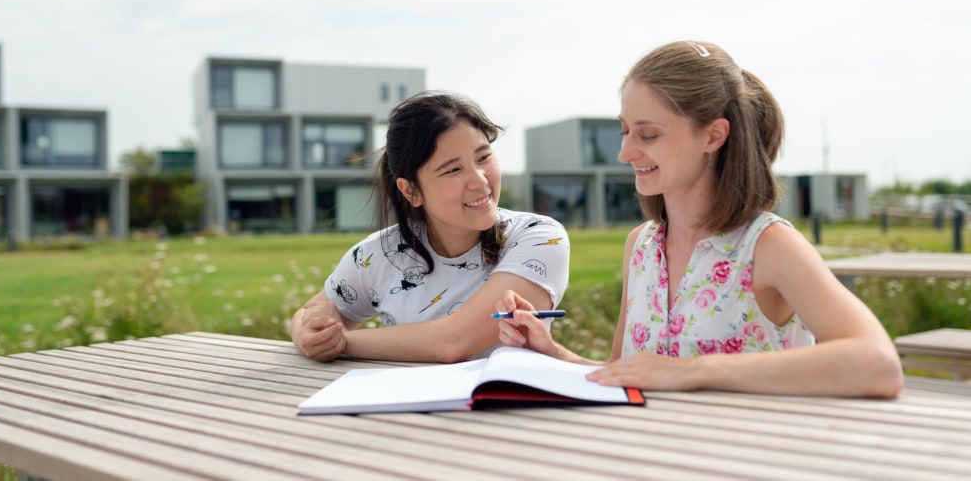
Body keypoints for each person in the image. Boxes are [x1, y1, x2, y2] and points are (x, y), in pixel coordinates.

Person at [496, 41, 904, 398]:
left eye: (648, 134)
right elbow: (627, 374)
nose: (625, 152)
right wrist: (550, 351)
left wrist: (694, 372)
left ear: (713, 136)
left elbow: (878, 364)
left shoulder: (769, 246)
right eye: (624, 131)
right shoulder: (640, 246)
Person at [291, 91, 570, 363]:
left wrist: (342, 343)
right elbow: (310, 313)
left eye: (483, 158)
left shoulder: (539, 238)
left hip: (515, 407)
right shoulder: (377, 255)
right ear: (410, 191)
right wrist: (309, 333)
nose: (480, 181)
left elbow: (455, 340)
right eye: (453, 170)